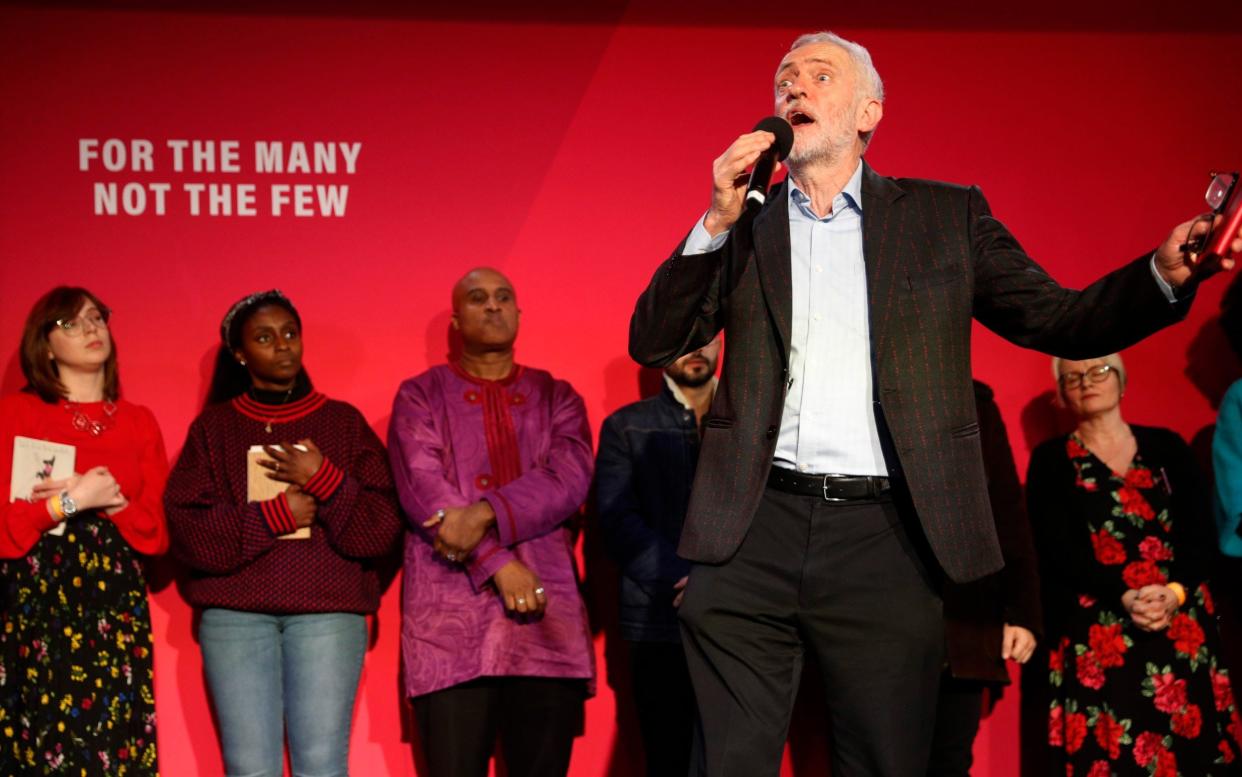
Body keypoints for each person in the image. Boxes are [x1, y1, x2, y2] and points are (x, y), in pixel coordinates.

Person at [627, 29, 1242, 777]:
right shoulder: (747, 226)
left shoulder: (944, 220)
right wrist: (716, 220)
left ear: (868, 113)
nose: (794, 89)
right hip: (753, 529)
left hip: (885, 534)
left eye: (819, 76)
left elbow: (1062, 318)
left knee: (888, 762)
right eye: (785, 79)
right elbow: (656, 338)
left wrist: (1162, 273)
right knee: (726, 763)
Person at [163, 289, 403, 777]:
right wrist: (276, 515)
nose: (283, 346)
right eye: (265, 338)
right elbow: (188, 527)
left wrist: (325, 479)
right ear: (240, 353)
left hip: (327, 614)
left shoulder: (342, 423)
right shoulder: (215, 428)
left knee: (321, 764)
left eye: (290, 334)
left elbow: (381, 530)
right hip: (236, 615)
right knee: (249, 768)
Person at [388, 267, 595, 777]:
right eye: (478, 299)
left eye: (504, 297)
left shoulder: (558, 397)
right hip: (451, 624)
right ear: (457, 321)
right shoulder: (419, 396)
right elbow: (427, 495)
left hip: (546, 620)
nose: (494, 306)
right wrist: (498, 563)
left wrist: (482, 514)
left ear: (520, 313)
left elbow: (568, 480)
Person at [1028, 354, 1242, 773]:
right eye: (1072, 377)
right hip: (1097, 633)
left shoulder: (1167, 447)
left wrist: (1175, 592)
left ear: (1122, 381)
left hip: (1180, 624)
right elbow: (1057, 551)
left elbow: (1201, 535)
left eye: (1099, 371)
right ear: (1062, 395)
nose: (1087, 381)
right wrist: (1123, 596)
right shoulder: (1051, 460)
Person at [0, 286, 168, 775]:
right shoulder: (17, 413)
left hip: (113, 604)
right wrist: (69, 502)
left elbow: (157, 534)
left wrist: (111, 500)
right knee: (43, 740)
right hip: (39, 599)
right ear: (45, 345)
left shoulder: (138, 422)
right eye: (70, 323)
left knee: (113, 743)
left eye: (97, 317)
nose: (91, 329)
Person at [595, 335, 720, 777]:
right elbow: (615, 521)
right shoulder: (626, 426)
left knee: (739, 758)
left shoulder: (755, 423)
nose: (696, 348)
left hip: (744, 619)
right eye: (683, 338)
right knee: (667, 756)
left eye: (707, 338)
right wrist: (686, 579)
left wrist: (721, 586)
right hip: (657, 620)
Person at [927, 380, 1041, 776]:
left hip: (964, 619)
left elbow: (1006, 512)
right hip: (882, 614)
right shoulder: (862, 387)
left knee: (950, 760)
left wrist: (1022, 612)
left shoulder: (975, 403)